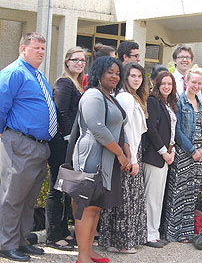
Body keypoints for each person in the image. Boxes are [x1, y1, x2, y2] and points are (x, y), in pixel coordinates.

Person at [0, 32, 55, 262]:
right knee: (12, 197)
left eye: (43, 48)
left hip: (39, 146)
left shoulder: (38, 75)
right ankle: (6, 243)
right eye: (36, 48)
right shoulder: (14, 73)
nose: (41, 52)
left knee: (29, 198)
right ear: (23, 49)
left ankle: (21, 240)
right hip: (20, 143)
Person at [73, 56, 131, 263]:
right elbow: (98, 129)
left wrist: (126, 152)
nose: (114, 76)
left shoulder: (110, 96)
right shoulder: (93, 96)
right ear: (99, 73)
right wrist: (120, 154)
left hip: (109, 158)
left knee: (96, 206)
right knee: (85, 207)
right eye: (110, 72)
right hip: (91, 157)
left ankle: (89, 250)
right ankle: (82, 256)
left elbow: (118, 127)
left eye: (117, 73)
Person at [99, 62, 149, 253]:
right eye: (133, 76)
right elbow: (127, 130)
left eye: (139, 76)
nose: (137, 80)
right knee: (124, 200)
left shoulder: (133, 97)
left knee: (127, 199)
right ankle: (120, 242)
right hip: (128, 153)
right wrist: (132, 159)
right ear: (126, 78)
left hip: (132, 152)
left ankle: (119, 241)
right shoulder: (126, 98)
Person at [46, 46, 87, 251]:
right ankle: (53, 235)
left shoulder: (78, 85)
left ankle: (63, 231)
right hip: (61, 143)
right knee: (57, 188)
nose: (79, 63)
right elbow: (61, 110)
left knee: (66, 189)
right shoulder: (64, 83)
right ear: (67, 61)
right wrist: (71, 139)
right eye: (75, 60)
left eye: (82, 60)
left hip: (71, 143)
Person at [164, 65, 202, 242]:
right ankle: (173, 232)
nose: (196, 86)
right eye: (193, 82)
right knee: (178, 192)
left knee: (191, 193)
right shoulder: (179, 101)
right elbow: (176, 131)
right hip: (185, 154)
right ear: (187, 81)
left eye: (199, 83)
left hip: (199, 155)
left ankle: (186, 232)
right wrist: (192, 150)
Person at [143, 71, 177, 248]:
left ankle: (154, 232)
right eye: (163, 83)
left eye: (169, 84)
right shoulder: (153, 101)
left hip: (167, 155)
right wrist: (164, 152)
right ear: (157, 84)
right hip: (155, 156)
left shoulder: (169, 103)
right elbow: (151, 129)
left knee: (158, 197)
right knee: (151, 197)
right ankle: (149, 234)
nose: (166, 86)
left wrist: (171, 152)